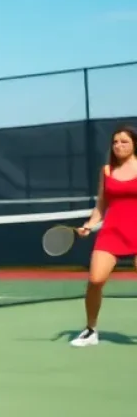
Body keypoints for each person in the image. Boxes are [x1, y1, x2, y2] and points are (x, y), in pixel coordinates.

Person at [71, 125, 137, 347]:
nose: (119, 145)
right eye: (115, 142)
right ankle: (90, 330)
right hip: (112, 231)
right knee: (95, 280)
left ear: (134, 144)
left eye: (124, 141)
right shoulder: (107, 170)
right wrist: (89, 225)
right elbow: (102, 203)